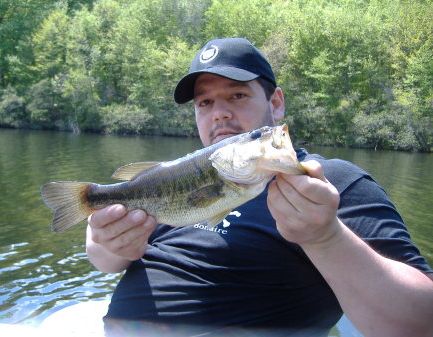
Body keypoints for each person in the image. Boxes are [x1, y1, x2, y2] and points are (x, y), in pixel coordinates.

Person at [86, 38, 433, 336]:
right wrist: (110, 243)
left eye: (237, 95)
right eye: (205, 103)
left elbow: (422, 323)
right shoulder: (172, 178)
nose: (218, 113)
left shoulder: (329, 182)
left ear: (276, 103)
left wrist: (326, 238)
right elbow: (105, 261)